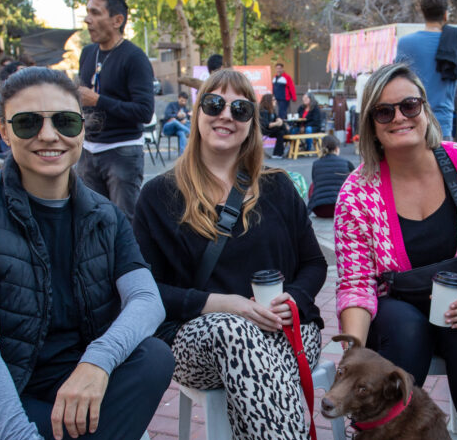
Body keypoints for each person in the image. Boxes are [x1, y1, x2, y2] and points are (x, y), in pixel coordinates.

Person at [0, 67, 174, 440]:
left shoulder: (104, 215)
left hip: (67, 389)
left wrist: (96, 363)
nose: (48, 135)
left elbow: (147, 300)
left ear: (83, 128)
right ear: (4, 129)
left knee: (153, 358)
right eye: (27, 123)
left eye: (65, 121)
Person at [132, 69, 327, 440]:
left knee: (253, 367)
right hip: (197, 339)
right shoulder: (158, 196)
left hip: (288, 330)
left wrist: (294, 300)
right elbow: (147, 290)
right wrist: (225, 304)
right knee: (234, 330)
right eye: (214, 103)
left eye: (240, 108)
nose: (225, 115)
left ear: (251, 123)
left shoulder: (278, 186)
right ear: (198, 113)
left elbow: (314, 264)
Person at [334, 63, 457, 438]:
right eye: (384, 111)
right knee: (406, 327)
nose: (399, 118)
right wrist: (354, 350)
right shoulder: (357, 192)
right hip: (396, 312)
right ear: (371, 124)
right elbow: (356, 282)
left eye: (409, 105)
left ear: (425, 110)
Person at [76, 0, 155, 221]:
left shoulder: (135, 57)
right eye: (87, 12)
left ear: (117, 20)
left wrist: (98, 100)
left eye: (95, 13)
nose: (87, 20)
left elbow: (144, 112)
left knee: (123, 223)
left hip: (122, 152)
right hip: (87, 151)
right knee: (91, 219)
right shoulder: (87, 53)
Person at [395, 0, 457, 138]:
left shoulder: (405, 43)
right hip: (443, 118)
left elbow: (398, 80)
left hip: (411, 116)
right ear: (445, 15)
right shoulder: (455, 41)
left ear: (423, 13)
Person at [308, 134, 355, 218]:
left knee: (313, 185)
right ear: (337, 148)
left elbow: (315, 181)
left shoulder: (316, 164)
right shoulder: (346, 163)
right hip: (342, 209)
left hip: (320, 209)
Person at [258, 93, 289, 158]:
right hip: (265, 130)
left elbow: (276, 118)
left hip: (271, 130)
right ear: (269, 101)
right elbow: (267, 125)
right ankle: (290, 137)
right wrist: (278, 123)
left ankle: (277, 154)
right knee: (282, 127)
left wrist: (279, 120)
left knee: (281, 132)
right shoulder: (263, 111)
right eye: (274, 100)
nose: (275, 101)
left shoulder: (272, 110)